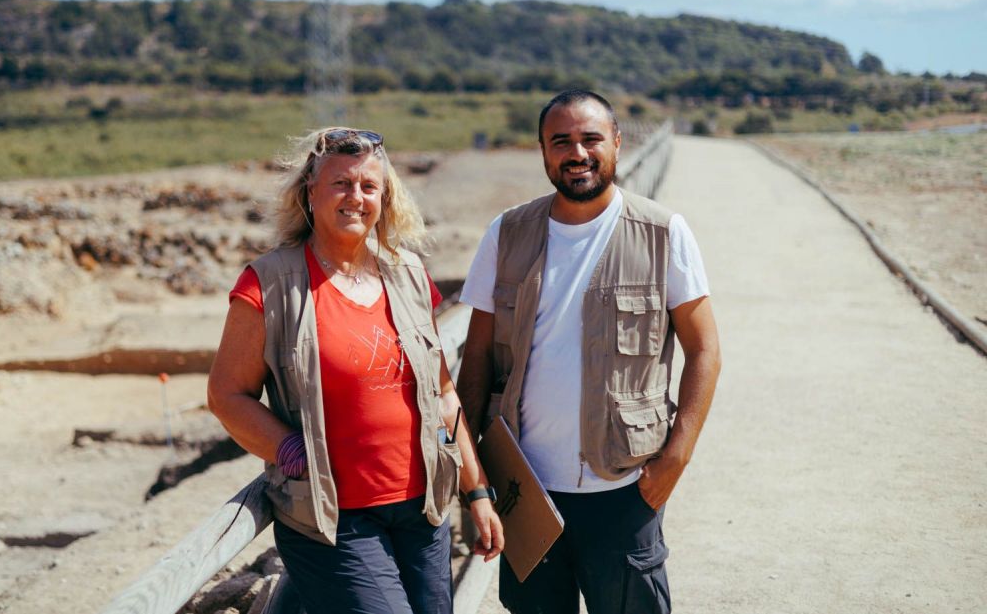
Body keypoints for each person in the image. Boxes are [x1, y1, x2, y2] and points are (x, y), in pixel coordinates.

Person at [208, 127, 504, 614]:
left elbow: (443, 394)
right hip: (333, 519)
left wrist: (477, 491)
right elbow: (226, 395)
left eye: (369, 186)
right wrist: (288, 450)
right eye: (341, 183)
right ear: (310, 190)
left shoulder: (408, 274)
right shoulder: (270, 283)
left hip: (423, 510)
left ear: (385, 198)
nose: (356, 197)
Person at [456, 90, 721, 614]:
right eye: (561, 141)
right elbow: (477, 358)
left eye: (590, 139)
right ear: (543, 151)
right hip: (525, 486)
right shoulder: (506, 234)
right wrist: (474, 476)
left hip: (624, 487)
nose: (577, 153)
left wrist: (677, 456)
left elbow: (705, 350)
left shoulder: (663, 233)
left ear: (616, 143)